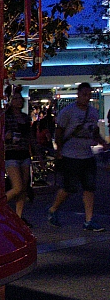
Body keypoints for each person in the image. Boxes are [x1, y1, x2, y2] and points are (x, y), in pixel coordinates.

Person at [48, 82, 108, 230]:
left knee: (89, 187)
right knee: (69, 187)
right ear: (78, 95)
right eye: (84, 94)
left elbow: (94, 132)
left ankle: (89, 220)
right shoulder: (68, 111)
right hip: (71, 154)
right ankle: (53, 209)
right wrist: (59, 151)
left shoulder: (93, 113)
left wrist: (102, 142)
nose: (86, 98)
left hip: (86, 154)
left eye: (89, 95)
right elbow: (60, 131)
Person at [4, 91, 33, 225]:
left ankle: (18, 216)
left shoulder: (26, 118)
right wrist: (6, 136)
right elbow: (0, 134)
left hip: (24, 152)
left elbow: (30, 137)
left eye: (20, 98)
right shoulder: (6, 117)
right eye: (15, 98)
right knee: (17, 186)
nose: (19, 101)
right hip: (11, 153)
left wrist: (36, 152)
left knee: (24, 188)